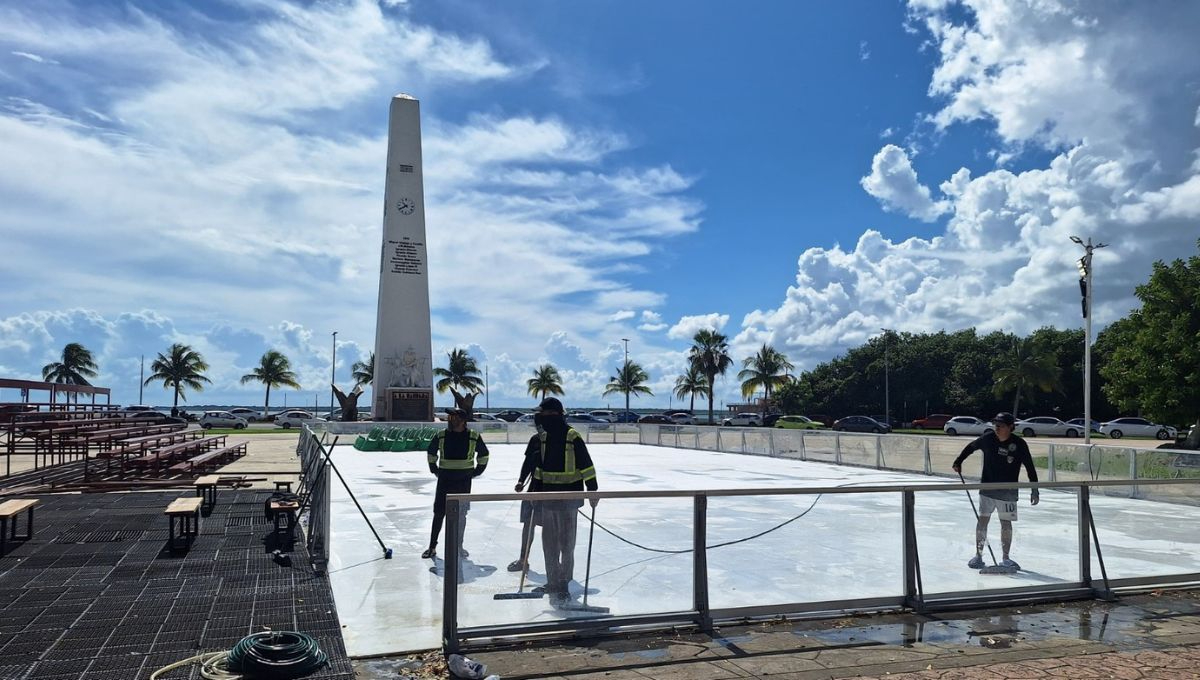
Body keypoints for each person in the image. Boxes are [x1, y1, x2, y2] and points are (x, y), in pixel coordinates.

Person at [519, 397, 598, 603]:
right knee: (549, 545)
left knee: (566, 545)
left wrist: (592, 491)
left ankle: (564, 582)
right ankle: (553, 581)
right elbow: (539, 469)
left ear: (553, 414)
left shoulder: (572, 436)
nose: (539, 418)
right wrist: (534, 492)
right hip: (548, 499)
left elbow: (587, 465)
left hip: (569, 499)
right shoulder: (543, 439)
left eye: (542, 414)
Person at [952, 412, 1039, 569]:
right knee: (983, 521)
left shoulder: (1019, 444)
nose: (997, 428)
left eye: (1001, 425)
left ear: (1010, 427)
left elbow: (1029, 466)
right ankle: (978, 555)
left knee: (1006, 523)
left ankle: (1006, 558)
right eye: (995, 425)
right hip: (987, 488)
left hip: (1008, 491)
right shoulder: (988, 438)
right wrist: (958, 461)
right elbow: (971, 447)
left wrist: (1035, 489)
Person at [422, 407, 488, 560]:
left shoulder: (473, 436)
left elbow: (484, 455)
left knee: (461, 514)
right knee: (439, 513)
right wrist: (434, 469)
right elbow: (431, 452)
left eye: (454, 418)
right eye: (450, 418)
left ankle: (459, 546)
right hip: (445, 480)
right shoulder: (442, 435)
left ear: (463, 421)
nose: (450, 420)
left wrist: (477, 472)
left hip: (463, 482)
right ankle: (432, 547)